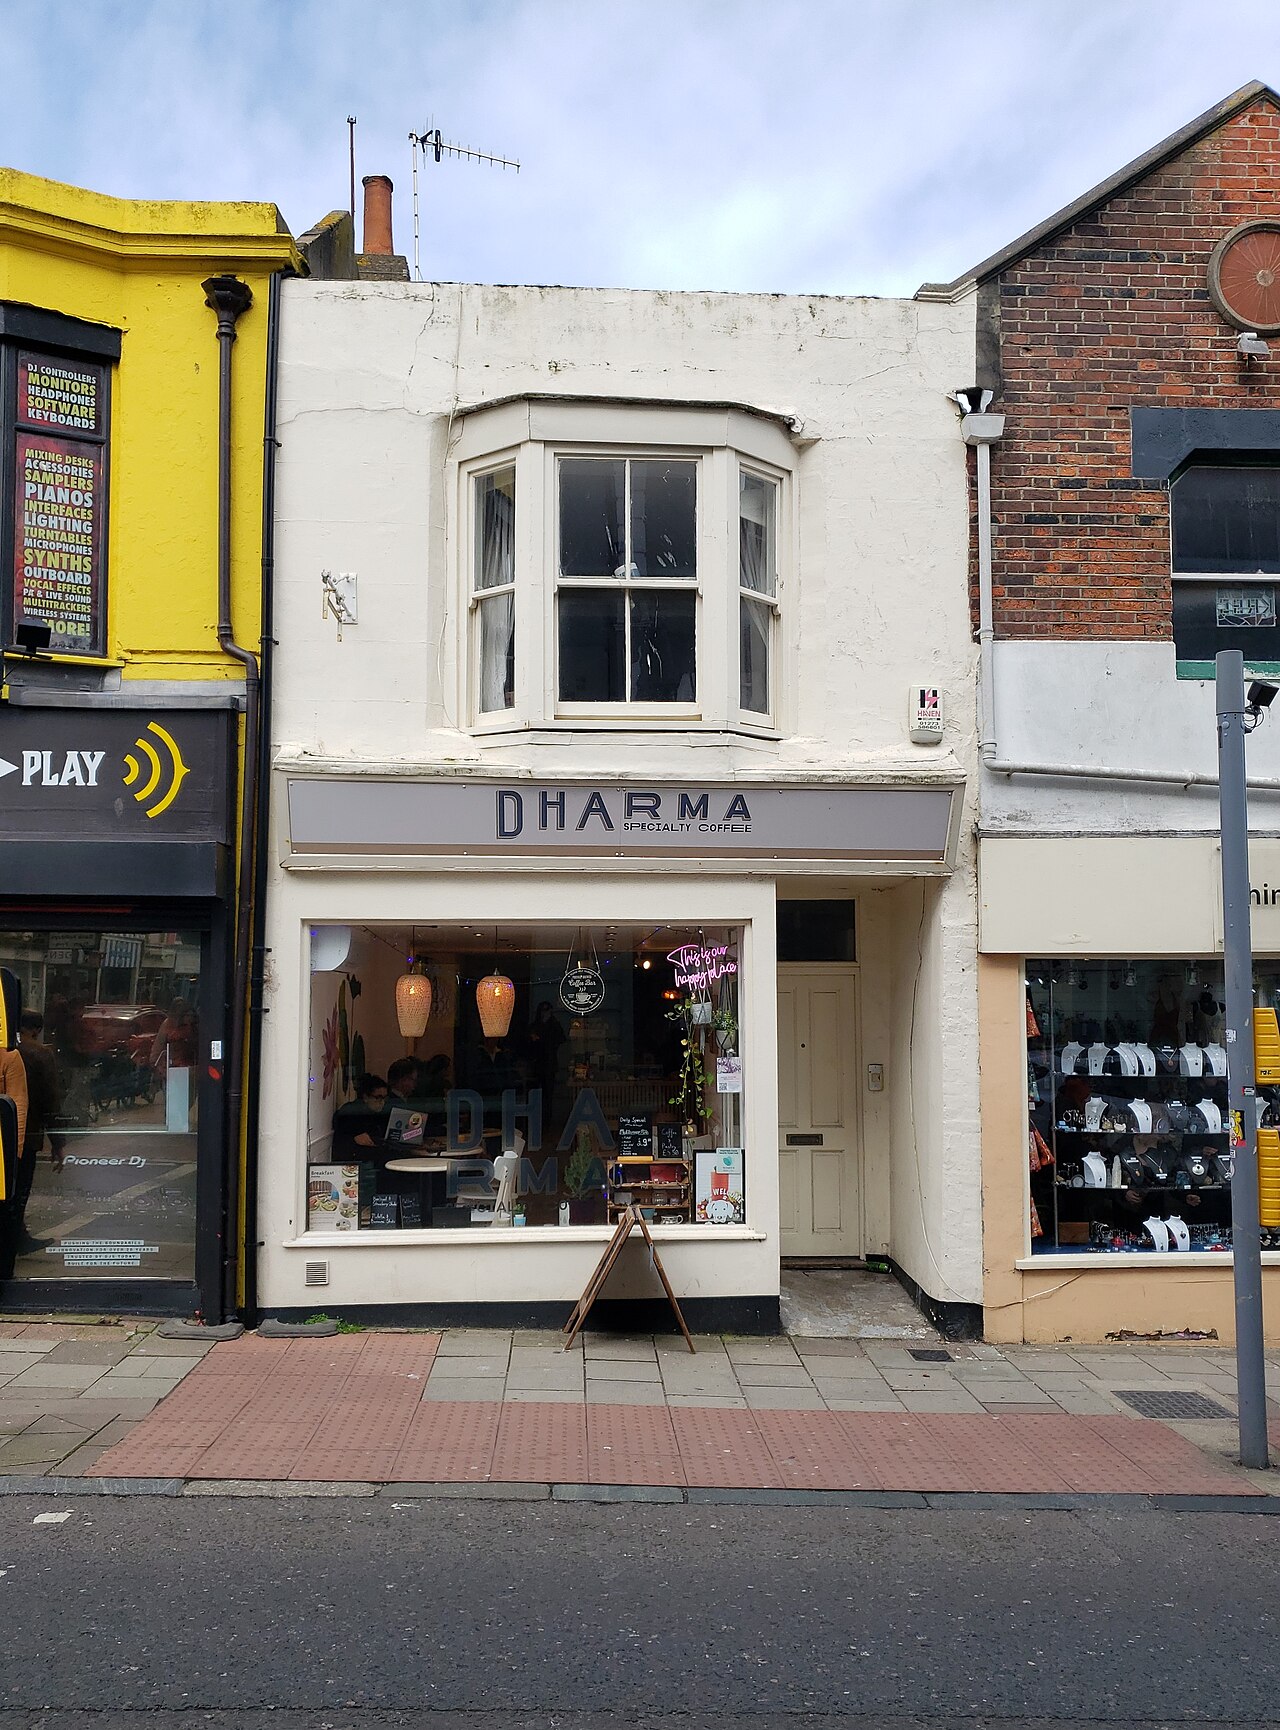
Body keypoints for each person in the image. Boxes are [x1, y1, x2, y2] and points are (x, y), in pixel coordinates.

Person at [15, 1011, 59, 1251]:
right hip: (26, 1135)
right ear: (37, 1030)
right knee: (20, 1189)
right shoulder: (40, 1055)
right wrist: (58, 1142)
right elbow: (50, 1101)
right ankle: (16, 1238)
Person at [331, 1073, 388, 1162]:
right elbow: (341, 1144)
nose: (382, 1102)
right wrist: (353, 1139)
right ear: (365, 1097)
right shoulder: (350, 1114)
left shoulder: (378, 1115)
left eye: (384, 1098)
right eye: (378, 1098)